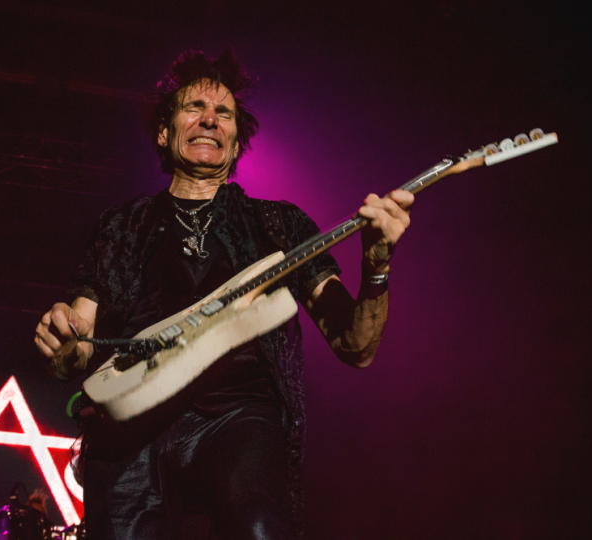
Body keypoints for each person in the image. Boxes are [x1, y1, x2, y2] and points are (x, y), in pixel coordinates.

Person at [34, 50, 413, 540]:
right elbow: (78, 349)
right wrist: (63, 338)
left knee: (256, 524)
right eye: (193, 108)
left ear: (236, 145)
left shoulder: (279, 223)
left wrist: (377, 264)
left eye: (224, 114)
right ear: (164, 133)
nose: (210, 119)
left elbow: (355, 346)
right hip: (131, 423)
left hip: (238, 413)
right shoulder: (121, 225)